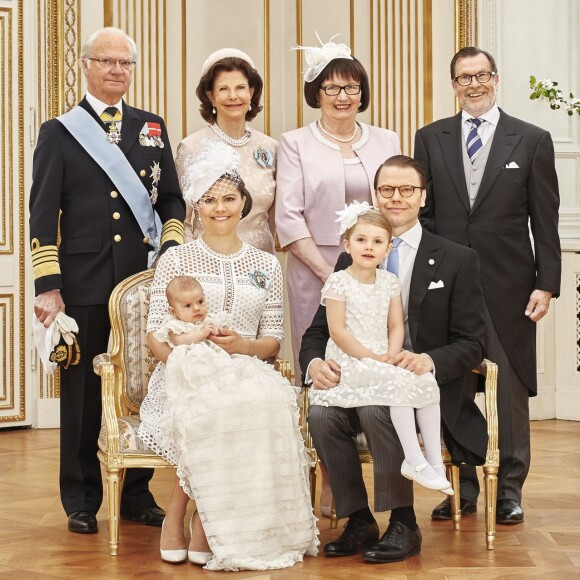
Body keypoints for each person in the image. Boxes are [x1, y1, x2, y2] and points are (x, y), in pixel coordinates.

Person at [29, 27, 185, 534]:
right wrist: (47, 284)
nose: (117, 70)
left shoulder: (152, 127)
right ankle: (80, 498)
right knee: (82, 392)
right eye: (107, 61)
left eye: (125, 63)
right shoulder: (60, 131)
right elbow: (41, 213)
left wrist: (172, 248)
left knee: (142, 387)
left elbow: (171, 203)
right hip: (84, 279)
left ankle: (136, 494)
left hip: (142, 284)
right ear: (86, 65)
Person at [138, 140, 318, 571]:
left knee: (258, 402)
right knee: (212, 407)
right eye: (210, 199)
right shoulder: (177, 258)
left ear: (245, 203)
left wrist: (242, 347)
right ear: (196, 206)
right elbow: (154, 334)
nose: (220, 208)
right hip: (184, 373)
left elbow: (273, 339)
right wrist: (187, 365)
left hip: (245, 371)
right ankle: (180, 514)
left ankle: (207, 522)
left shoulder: (266, 263)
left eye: (229, 198)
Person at [300, 155, 487, 564]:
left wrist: (428, 361)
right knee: (320, 417)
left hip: (416, 386)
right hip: (356, 373)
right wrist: (314, 364)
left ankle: (403, 522)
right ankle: (360, 518)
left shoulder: (457, 258)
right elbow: (321, 329)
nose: (396, 198)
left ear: (423, 196)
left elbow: (474, 341)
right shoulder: (352, 255)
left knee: (374, 410)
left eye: (407, 190)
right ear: (375, 195)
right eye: (387, 190)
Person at [414, 47, 561, 525]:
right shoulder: (430, 138)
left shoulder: (533, 140)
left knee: (509, 391)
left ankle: (510, 490)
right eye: (463, 78)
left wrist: (548, 284)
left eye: (481, 75)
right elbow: (427, 214)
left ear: (495, 79)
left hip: (510, 288)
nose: (473, 85)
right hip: (447, 287)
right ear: (453, 85)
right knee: (452, 389)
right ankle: (465, 485)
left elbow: (546, 220)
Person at [275, 35, 401, 386]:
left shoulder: (387, 140)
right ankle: (318, 428)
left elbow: (395, 204)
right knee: (318, 352)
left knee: (374, 345)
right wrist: (331, 273)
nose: (342, 97)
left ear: (362, 93)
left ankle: (375, 422)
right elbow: (287, 214)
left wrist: (371, 263)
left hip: (376, 266)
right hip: (314, 268)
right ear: (316, 93)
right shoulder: (294, 142)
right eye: (331, 88)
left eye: (351, 88)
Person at [314, 202, 453, 494]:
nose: (369, 247)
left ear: (387, 249)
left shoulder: (389, 282)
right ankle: (413, 459)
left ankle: (433, 462)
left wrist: (391, 353)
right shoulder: (338, 281)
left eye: (377, 242)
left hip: (381, 356)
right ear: (346, 244)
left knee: (424, 379)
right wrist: (373, 358)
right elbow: (338, 332)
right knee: (396, 383)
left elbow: (395, 325)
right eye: (361, 240)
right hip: (350, 358)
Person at [176, 48, 277, 254]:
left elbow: (274, 217)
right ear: (211, 96)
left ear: (251, 93)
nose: (233, 96)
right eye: (223, 89)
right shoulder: (192, 147)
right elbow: (184, 221)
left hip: (259, 265)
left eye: (240, 87)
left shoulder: (270, 147)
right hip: (205, 262)